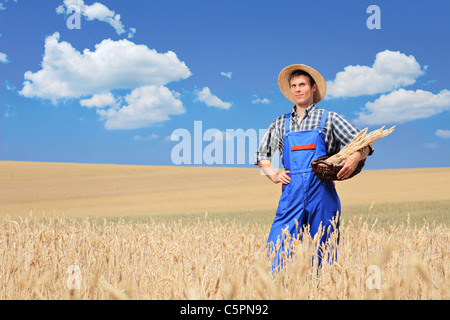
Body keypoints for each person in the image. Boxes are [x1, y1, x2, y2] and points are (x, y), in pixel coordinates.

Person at [255, 64, 373, 271]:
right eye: (293, 86)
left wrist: (355, 157)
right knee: (277, 249)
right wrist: (273, 175)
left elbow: (365, 143)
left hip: (322, 194)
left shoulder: (330, 118)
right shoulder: (280, 124)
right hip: (291, 194)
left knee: (324, 253)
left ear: (313, 88)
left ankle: (320, 291)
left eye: (302, 84)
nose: (297, 89)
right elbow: (262, 155)